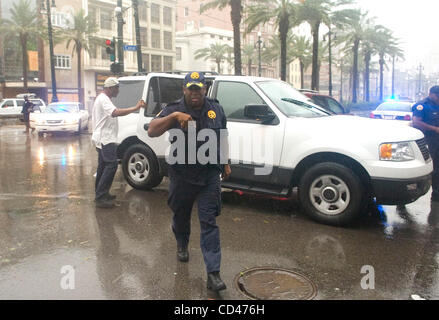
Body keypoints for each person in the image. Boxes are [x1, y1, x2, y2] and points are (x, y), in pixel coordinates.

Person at [148, 71, 231, 292]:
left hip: (208, 176)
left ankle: (213, 274)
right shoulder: (174, 108)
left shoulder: (215, 108)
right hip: (181, 175)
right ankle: (182, 243)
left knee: (209, 222)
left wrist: (226, 162)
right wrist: (174, 117)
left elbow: (222, 135)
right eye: (191, 88)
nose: (195, 93)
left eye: (199, 88)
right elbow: (152, 130)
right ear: (184, 90)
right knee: (180, 216)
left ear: (205, 89)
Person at [92, 77, 146, 208]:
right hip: (105, 139)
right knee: (111, 165)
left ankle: (101, 194)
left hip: (103, 138)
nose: (118, 91)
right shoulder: (103, 99)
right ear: (110, 88)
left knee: (103, 166)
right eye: (116, 88)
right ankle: (100, 197)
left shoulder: (104, 98)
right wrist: (136, 107)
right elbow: (115, 113)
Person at [412, 85, 439, 201]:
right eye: (437, 95)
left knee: (437, 165)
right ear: (431, 94)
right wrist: (434, 129)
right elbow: (416, 122)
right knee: (429, 165)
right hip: (426, 140)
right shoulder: (422, 106)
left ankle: (436, 193)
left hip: (437, 140)